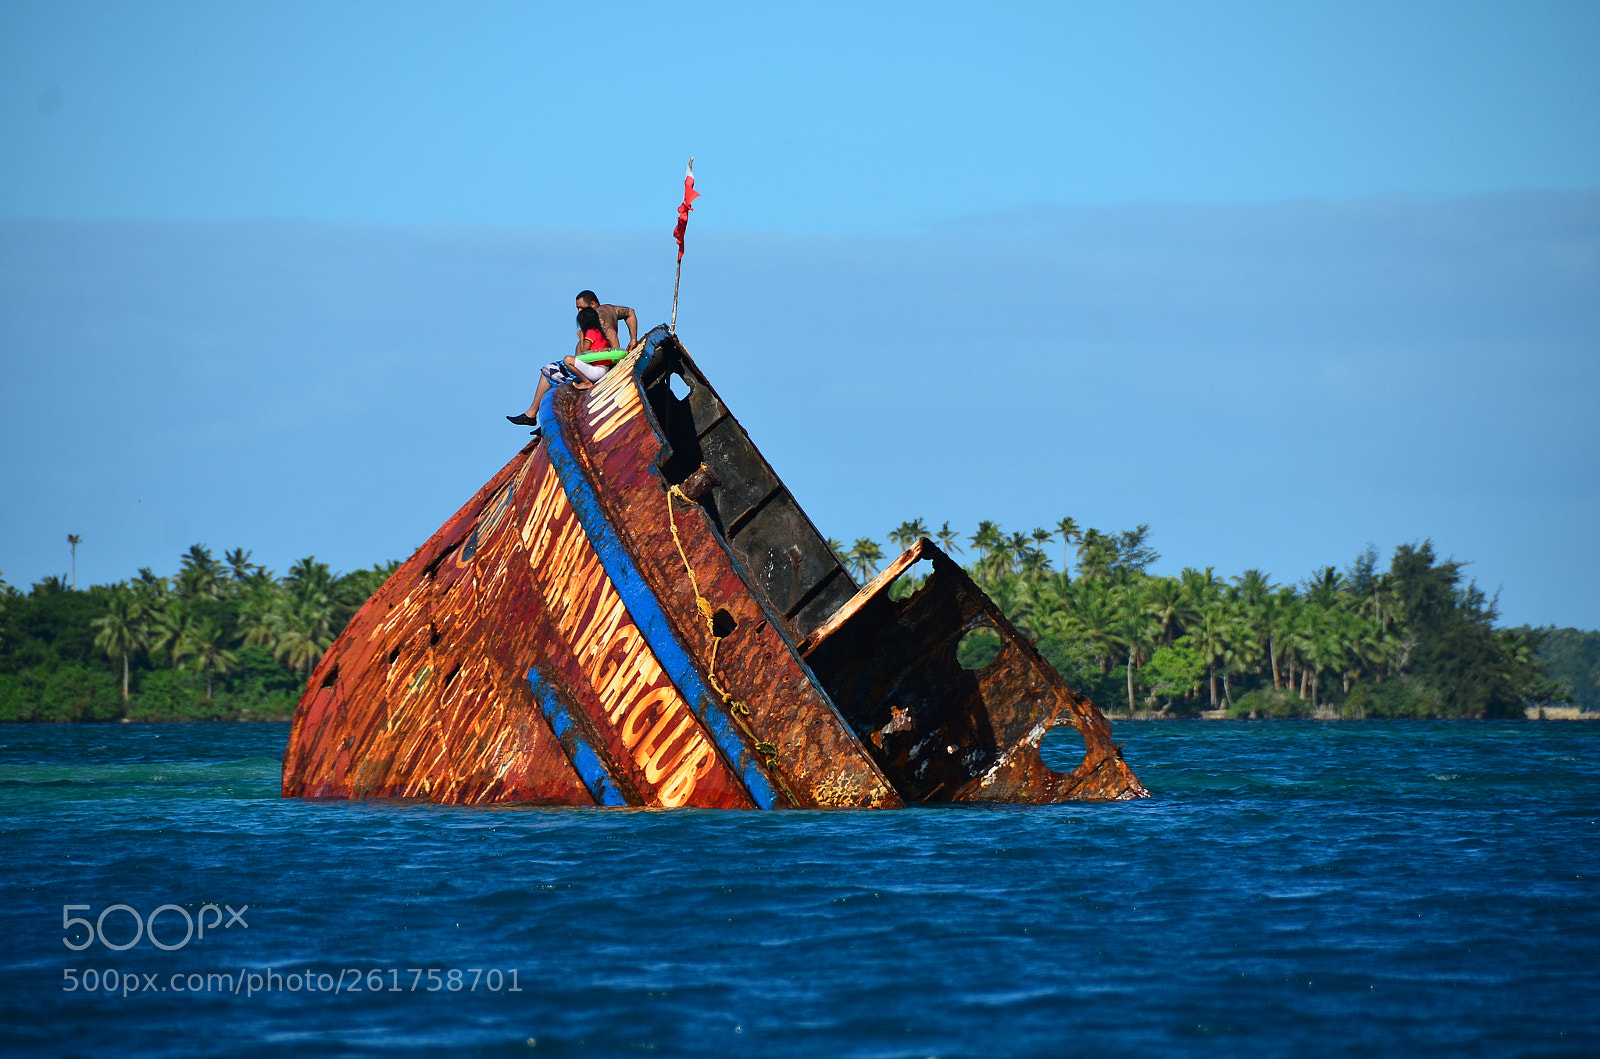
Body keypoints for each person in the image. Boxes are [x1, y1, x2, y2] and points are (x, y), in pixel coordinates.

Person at [507, 292, 639, 430]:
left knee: (549, 371)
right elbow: (630, 313)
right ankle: (543, 417)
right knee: (561, 374)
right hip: (598, 365)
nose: (579, 312)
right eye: (578, 308)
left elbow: (611, 337)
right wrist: (633, 339)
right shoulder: (610, 309)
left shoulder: (598, 319)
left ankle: (533, 414)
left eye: (581, 308)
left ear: (593, 304)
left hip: (596, 368)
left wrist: (615, 361)